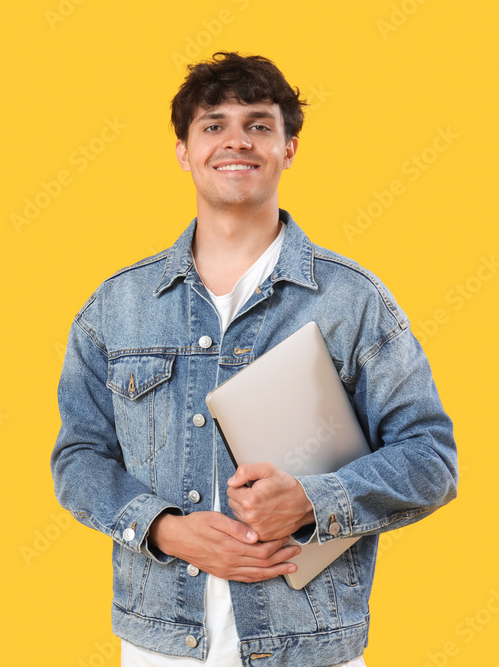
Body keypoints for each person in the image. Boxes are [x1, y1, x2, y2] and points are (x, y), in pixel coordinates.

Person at [50, 52, 458, 667]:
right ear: (184, 151)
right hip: (160, 646)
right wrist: (163, 529)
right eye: (213, 125)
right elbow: (78, 457)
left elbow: (431, 460)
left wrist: (313, 500)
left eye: (259, 124)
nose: (235, 140)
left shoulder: (354, 301)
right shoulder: (118, 305)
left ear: (289, 148)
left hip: (313, 647)